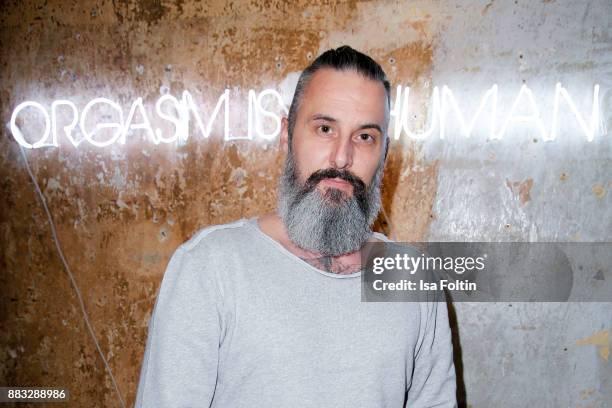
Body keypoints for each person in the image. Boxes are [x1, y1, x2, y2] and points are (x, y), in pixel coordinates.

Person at [134, 45, 457, 407]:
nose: (342, 157)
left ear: (383, 153)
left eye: (365, 136)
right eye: (324, 129)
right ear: (287, 134)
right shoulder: (211, 266)